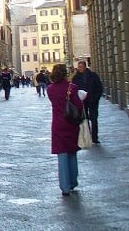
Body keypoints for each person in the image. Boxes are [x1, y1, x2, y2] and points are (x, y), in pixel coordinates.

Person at [47, 64, 85, 196]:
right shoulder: (72, 87)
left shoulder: (50, 89)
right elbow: (79, 106)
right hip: (71, 124)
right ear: (65, 73)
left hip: (57, 124)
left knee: (61, 155)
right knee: (72, 152)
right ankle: (73, 182)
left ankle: (64, 187)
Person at [71, 61, 104, 144]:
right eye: (78, 67)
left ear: (85, 67)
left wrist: (96, 98)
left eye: (81, 67)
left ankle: (95, 137)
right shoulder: (76, 78)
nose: (79, 68)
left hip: (93, 100)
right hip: (82, 102)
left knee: (94, 119)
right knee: (84, 120)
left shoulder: (93, 76)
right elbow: (74, 90)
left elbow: (99, 88)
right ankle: (87, 136)